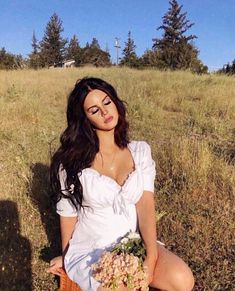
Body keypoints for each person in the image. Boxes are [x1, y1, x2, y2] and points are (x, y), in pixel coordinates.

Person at [47, 77, 195, 291]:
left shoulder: (140, 151)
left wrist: (151, 257)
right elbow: (68, 216)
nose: (105, 112)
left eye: (107, 102)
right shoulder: (70, 163)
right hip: (91, 249)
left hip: (131, 242)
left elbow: (146, 206)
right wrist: (66, 256)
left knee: (182, 279)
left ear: (115, 102)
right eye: (94, 110)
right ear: (85, 118)